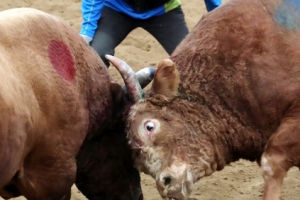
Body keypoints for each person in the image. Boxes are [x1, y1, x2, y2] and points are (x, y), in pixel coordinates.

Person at [80, 0, 189, 67]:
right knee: (97, 55)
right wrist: (87, 30)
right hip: (116, 8)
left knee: (189, 60)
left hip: (164, 10)